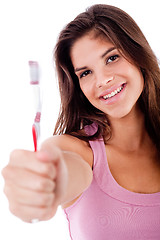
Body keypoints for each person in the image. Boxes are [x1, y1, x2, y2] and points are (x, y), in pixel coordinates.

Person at [2, 4, 160, 240]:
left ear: (138, 55)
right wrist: (45, 182)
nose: (103, 80)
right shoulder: (75, 150)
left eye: (112, 58)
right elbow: (62, 168)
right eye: (85, 73)